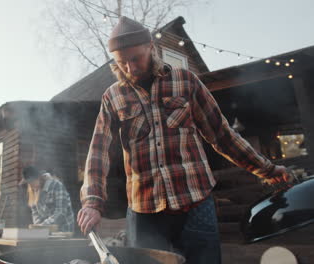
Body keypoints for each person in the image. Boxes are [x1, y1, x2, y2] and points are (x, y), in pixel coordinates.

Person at [77, 16, 291, 263]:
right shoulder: (112, 97)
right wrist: (92, 202)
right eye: (122, 62)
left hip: (195, 204)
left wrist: (267, 169)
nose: (130, 68)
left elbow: (222, 135)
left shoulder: (186, 81)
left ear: (151, 48)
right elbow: (98, 151)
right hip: (144, 211)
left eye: (136, 59)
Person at [23, 166, 75, 232]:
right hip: (47, 232)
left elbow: (61, 212)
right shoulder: (33, 191)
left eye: (32, 181)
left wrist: (42, 226)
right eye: (29, 182)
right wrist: (38, 228)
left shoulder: (56, 185)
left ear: (39, 178)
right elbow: (35, 213)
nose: (30, 185)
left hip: (64, 230)